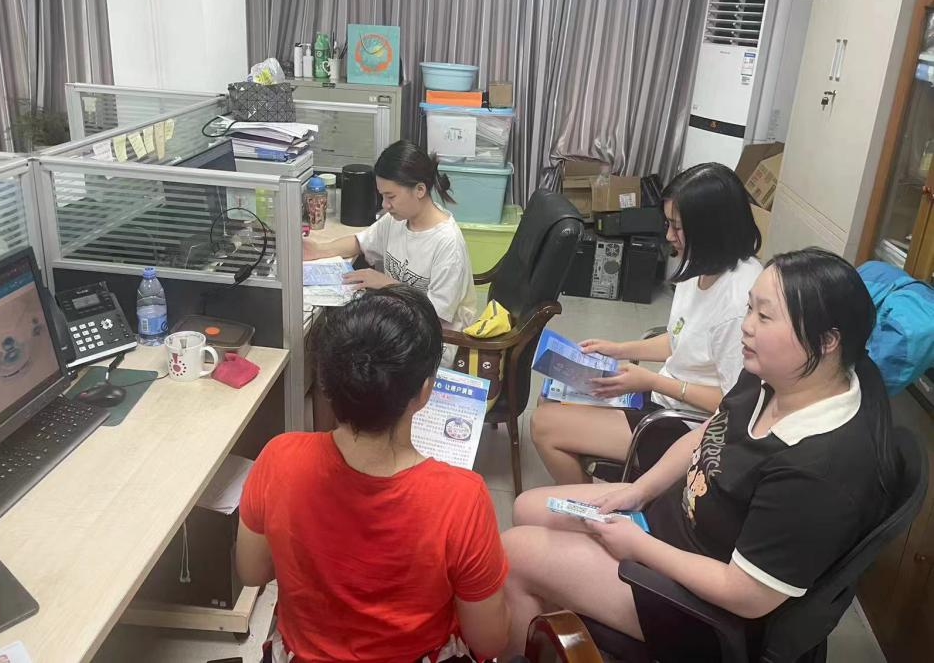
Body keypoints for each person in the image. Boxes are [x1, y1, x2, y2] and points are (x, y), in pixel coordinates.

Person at [501, 248, 899, 655]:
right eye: (749, 309)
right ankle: (558, 625)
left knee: (514, 554)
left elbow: (746, 594)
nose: (746, 326)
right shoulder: (778, 373)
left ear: (827, 341)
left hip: (703, 608)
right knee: (528, 508)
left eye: (764, 317)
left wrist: (638, 547)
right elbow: (710, 432)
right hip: (670, 524)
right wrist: (638, 490)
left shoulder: (819, 472)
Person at [236, 285, 509, 662]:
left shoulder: (279, 458)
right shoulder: (462, 498)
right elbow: (489, 642)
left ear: (327, 385)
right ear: (424, 392)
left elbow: (251, 572)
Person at [532, 163, 763, 484]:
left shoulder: (740, 301)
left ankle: (591, 506)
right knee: (552, 397)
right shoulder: (700, 264)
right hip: (665, 396)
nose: (669, 236)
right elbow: (679, 340)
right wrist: (617, 349)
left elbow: (733, 403)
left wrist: (651, 382)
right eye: (668, 224)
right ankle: (596, 498)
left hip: (689, 425)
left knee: (544, 425)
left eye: (678, 227)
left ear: (710, 228)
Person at [303, 140, 477, 365]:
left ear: (420, 190)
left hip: (431, 342)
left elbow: (434, 314)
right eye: (382, 196)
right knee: (336, 346)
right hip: (399, 323)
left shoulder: (447, 243)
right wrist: (319, 250)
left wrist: (386, 284)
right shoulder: (398, 219)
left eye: (391, 196)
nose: (385, 205)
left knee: (346, 355)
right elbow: (360, 242)